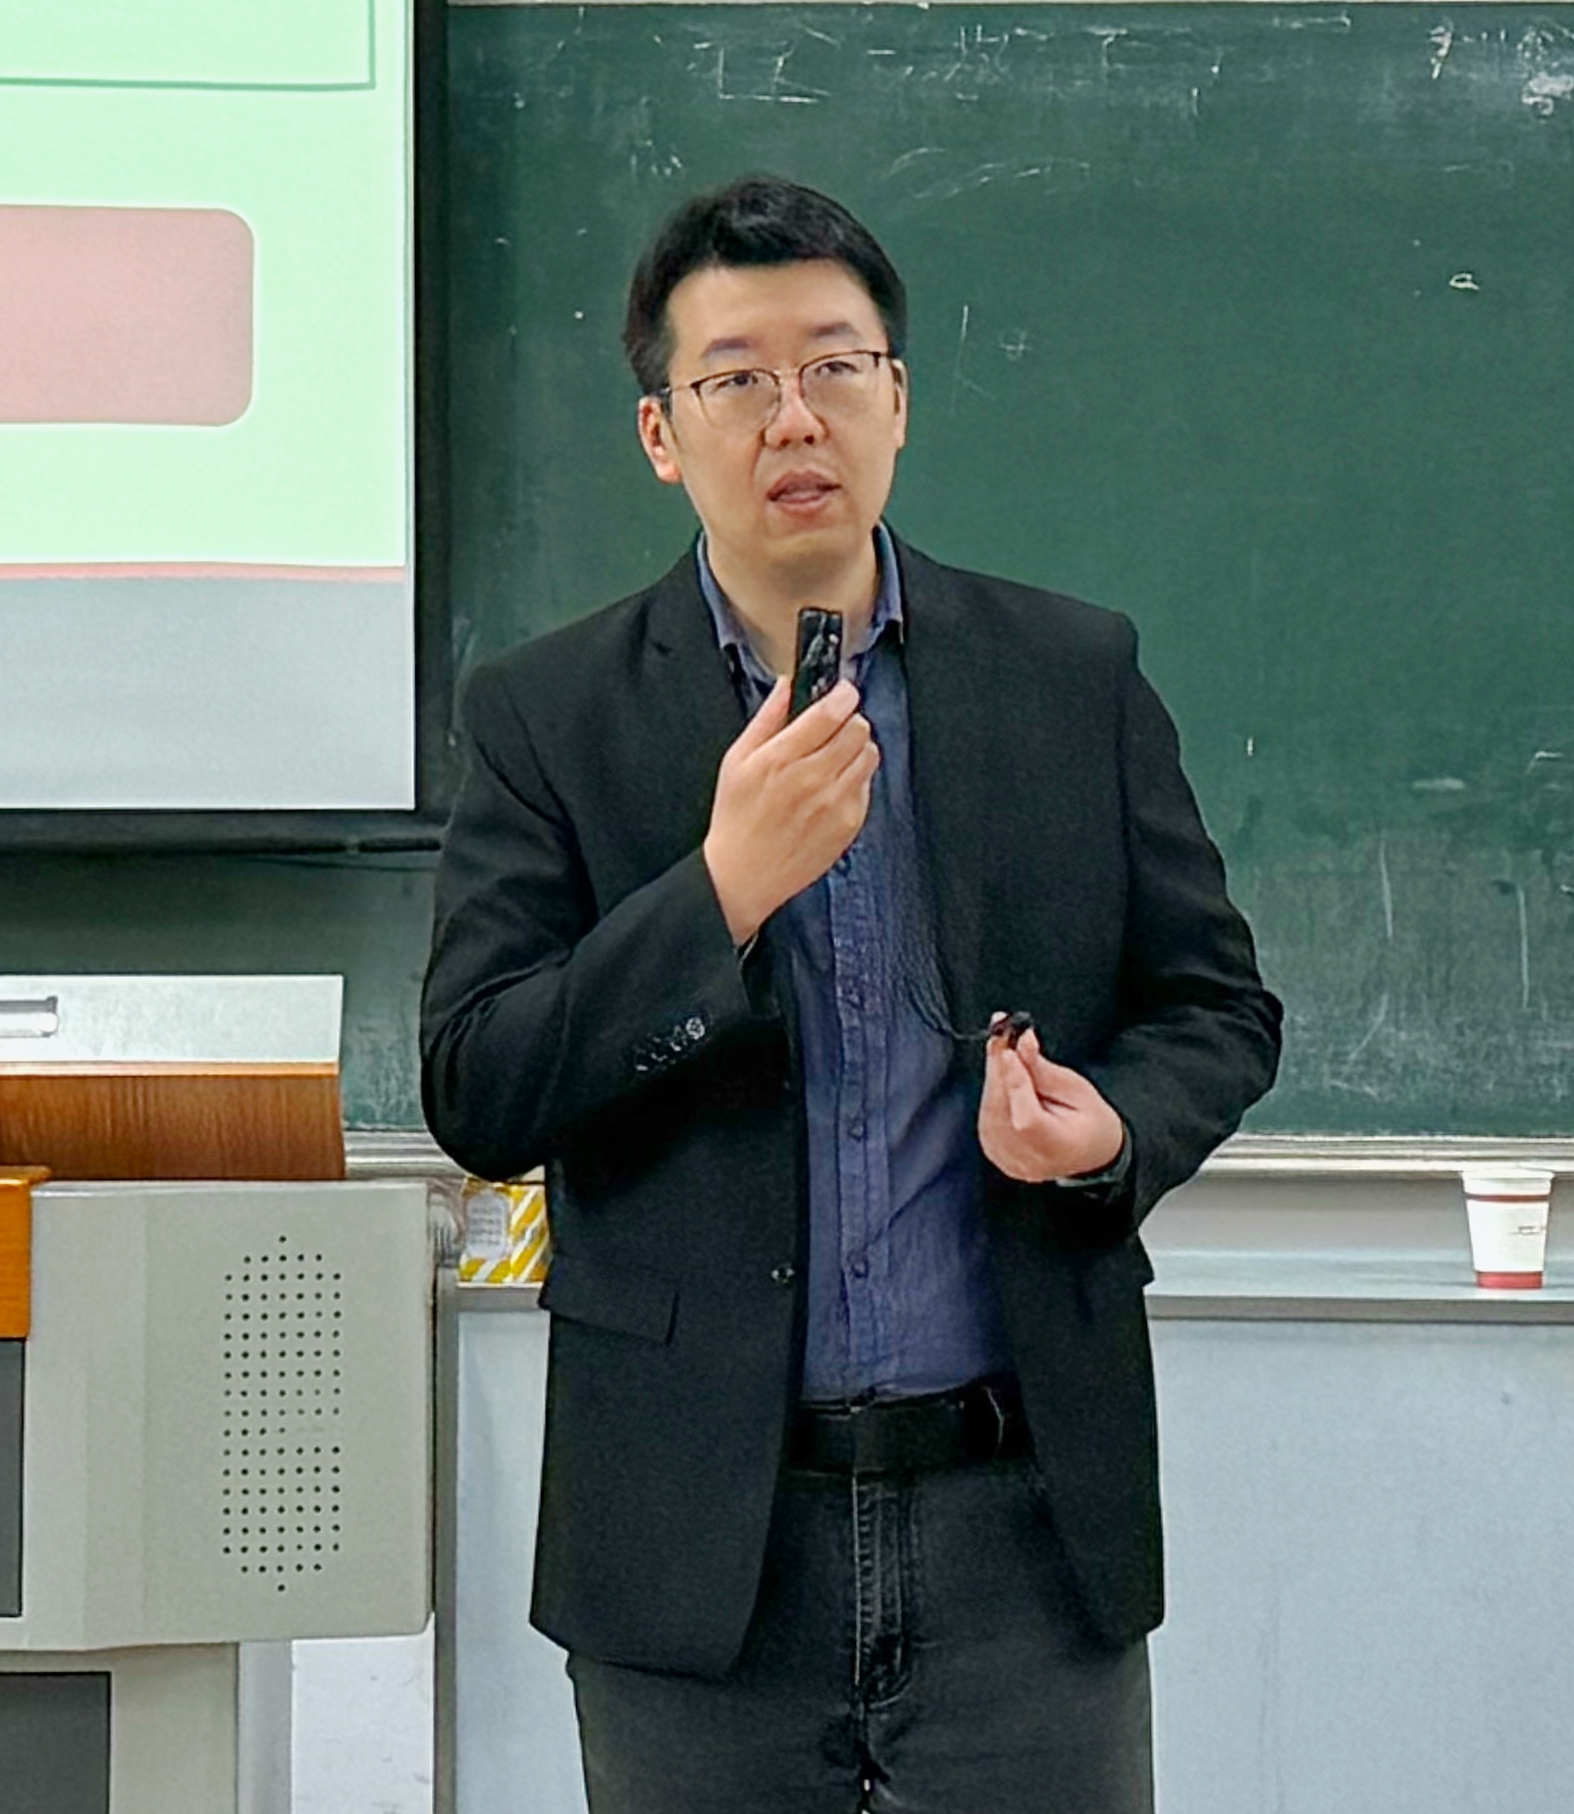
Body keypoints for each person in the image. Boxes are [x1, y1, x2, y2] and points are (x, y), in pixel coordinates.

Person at [421, 174, 1285, 1813]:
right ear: (661, 433)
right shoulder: (548, 715)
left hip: (1022, 1521)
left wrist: (1109, 1131)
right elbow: (477, 1082)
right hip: (697, 1538)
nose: (793, 414)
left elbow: (1217, 1008)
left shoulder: (1069, 674)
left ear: (899, 399)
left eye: (834, 364)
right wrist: (721, 891)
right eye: (736, 376)